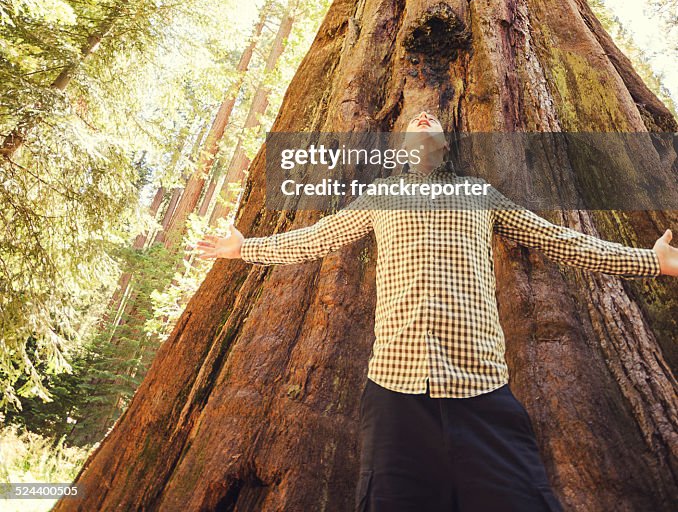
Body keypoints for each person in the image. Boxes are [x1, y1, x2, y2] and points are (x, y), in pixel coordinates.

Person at [196, 111, 678, 512]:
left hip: (482, 391)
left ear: (446, 147)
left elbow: (557, 240)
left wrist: (651, 261)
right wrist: (245, 249)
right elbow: (315, 239)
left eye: (434, 123)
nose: (424, 118)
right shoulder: (381, 196)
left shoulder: (480, 195)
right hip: (394, 396)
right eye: (413, 122)